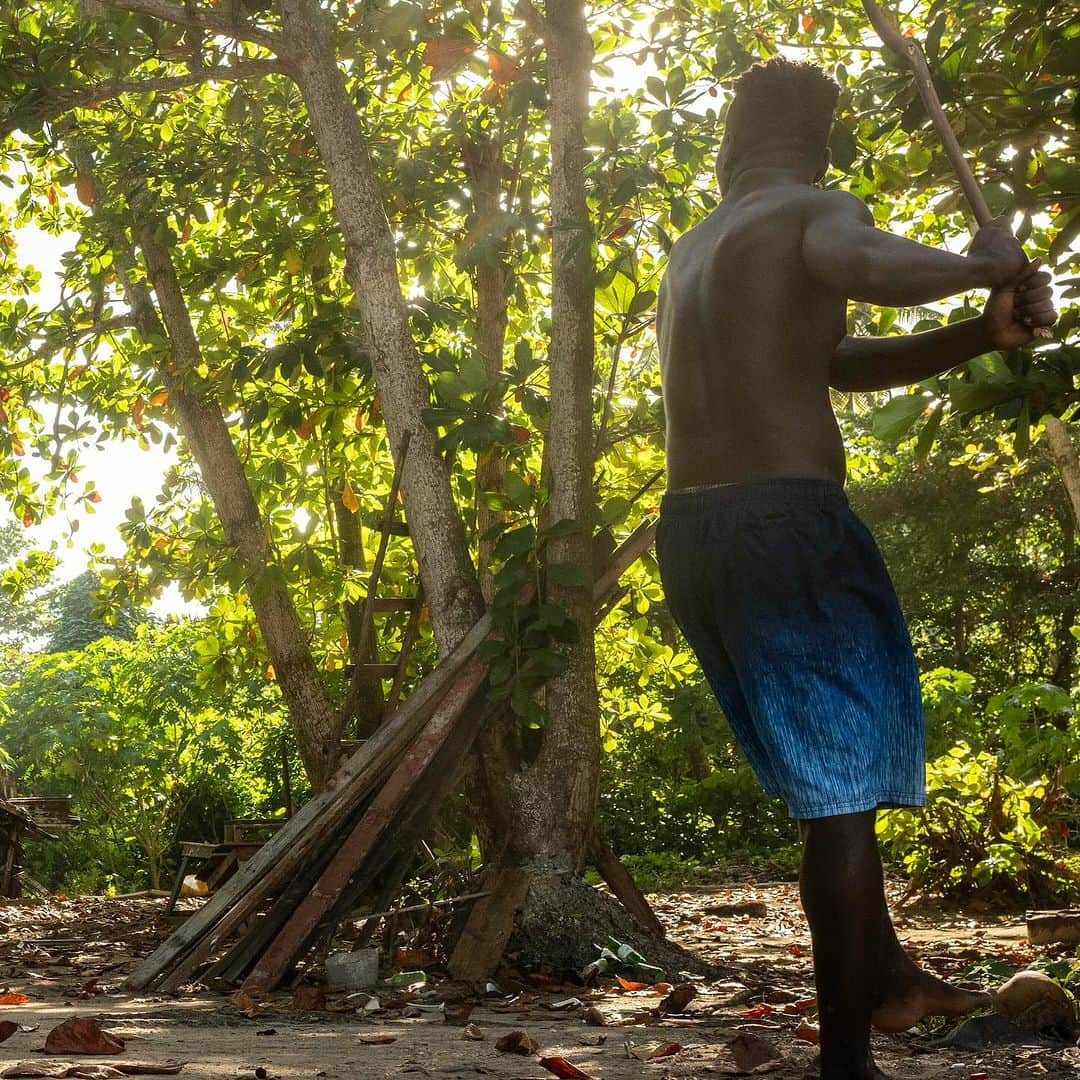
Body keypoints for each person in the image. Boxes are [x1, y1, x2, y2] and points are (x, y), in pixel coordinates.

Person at [654, 57, 1057, 1080]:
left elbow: (832, 364)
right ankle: (845, 1062)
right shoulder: (812, 208)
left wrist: (979, 332)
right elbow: (864, 256)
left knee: (839, 777)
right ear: (816, 145)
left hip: (694, 536)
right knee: (839, 793)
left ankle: (883, 983)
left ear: (730, 146)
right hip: (787, 526)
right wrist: (979, 266)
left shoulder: (694, 250)